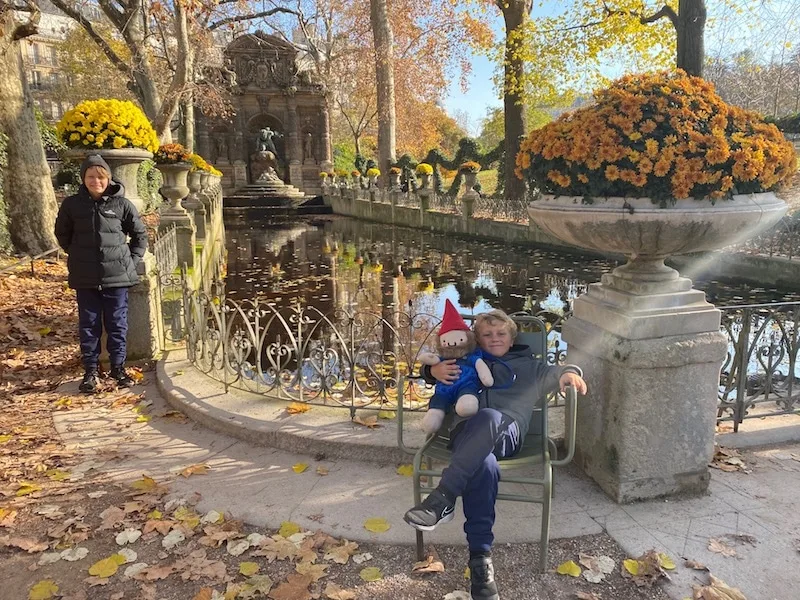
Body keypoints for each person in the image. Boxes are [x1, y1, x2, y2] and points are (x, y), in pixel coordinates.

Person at [403, 309, 588, 600]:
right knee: (484, 464)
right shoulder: (466, 361)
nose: (494, 339)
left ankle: (443, 498)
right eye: (487, 335)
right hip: (466, 436)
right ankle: (481, 563)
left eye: (501, 333)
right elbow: (427, 370)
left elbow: (562, 370)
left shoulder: (531, 366)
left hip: (508, 434)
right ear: (477, 339)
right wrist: (431, 371)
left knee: (489, 417)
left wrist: (570, 375)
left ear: (512, 337)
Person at [54, 155, 147, 393]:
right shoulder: (72, 205)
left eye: (100, 177)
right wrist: (77, 255)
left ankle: (118, 369)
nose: (96, 181)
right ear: (84, 179)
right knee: (89, 324)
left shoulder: (122, 205)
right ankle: (91, 372)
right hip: (85, 277)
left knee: (117, 323)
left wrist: (131, 260)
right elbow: (62, 234)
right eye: (91, 176)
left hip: (117, 277)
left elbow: (140, 236)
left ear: (108, 179)